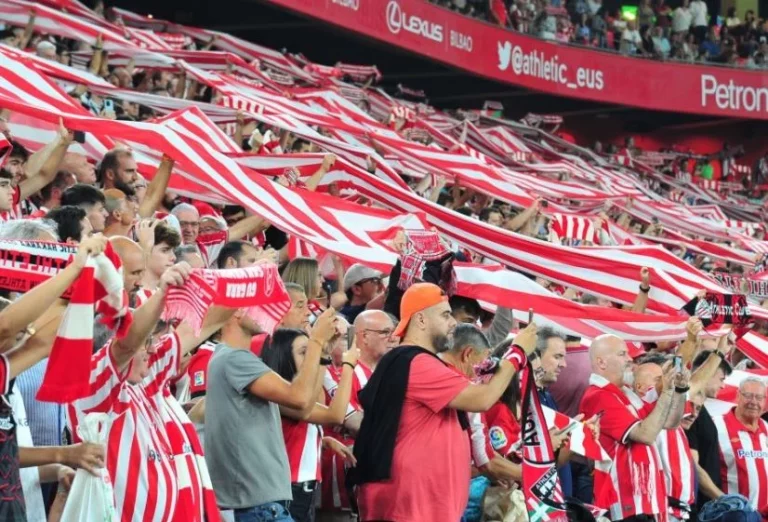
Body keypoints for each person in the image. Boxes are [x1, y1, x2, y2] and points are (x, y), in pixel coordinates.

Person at [352, 283, 535, 522]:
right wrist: (517, 351)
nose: (453, 324)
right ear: (420, 320)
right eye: (445, 315)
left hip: (419, 508)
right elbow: (483, 399)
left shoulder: (415, 362)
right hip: (409, 509)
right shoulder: (415, 362)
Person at [205, 303, 337, 522]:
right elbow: (300, 397)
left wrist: (320, 352)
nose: (267, 313)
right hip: (255, 506)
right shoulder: (234, 359)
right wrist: (316, 341)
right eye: (258, 307)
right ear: (237, 311)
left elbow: (304, 406)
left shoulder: (234, 358)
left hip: (259, 504)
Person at [580, 334, 687, 521]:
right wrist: (667, 391)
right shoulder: (598, 396)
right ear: (601, 362)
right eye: (622, 354)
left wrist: (679, 391)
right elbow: (645, 434)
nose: (629, 359)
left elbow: (670, 422)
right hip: (625, 499)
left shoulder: (625, 393)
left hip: (646, 499)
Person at [262, 328, 359, 522]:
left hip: (304, 490)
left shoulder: (298, 394)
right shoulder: (281, 397)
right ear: (284, 357)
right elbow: (336, 414)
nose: (310, 358)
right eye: (304, 352)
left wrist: (324, 440)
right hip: (288, 490)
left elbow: (295, 430)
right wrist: (348, 365)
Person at [713, 377, 768, 515]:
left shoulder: (767, 428)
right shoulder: (717, 426)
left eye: (759, 397)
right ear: (738, 396)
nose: (753, 402)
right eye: (748, 396)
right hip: (733, 516)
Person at [687, 348, 731, 511]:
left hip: (705, 504)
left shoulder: (700, 411)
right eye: (721, 378)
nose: (723, 385)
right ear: (708, 372)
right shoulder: (690, 414)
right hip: (698, 507)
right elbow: (692, 466)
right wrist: (721, 498)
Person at [534, 327, 573, 496]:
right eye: (557, 357)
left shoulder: (547, 396)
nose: (564, 364)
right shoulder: (522, 401)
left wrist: (577, 434)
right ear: (535, 356)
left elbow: (556, 459)